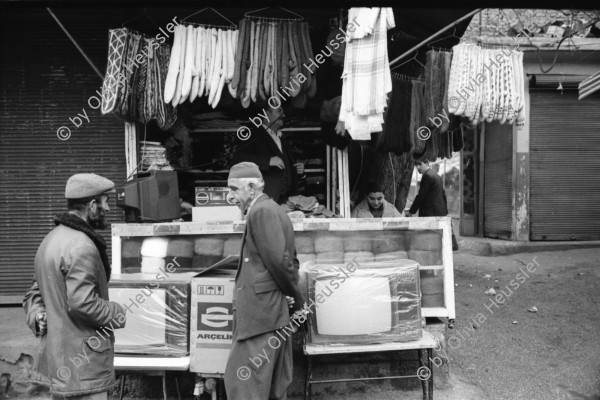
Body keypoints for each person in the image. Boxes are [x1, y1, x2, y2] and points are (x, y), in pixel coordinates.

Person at [23, 173, 127, 400]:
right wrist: (118, 313)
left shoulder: (50, 240)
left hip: (56, 364)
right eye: (105, 201)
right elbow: (83, 304)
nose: (108, 208)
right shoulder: (82, 246)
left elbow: (33, 293)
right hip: (83, 366)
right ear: (92, 205)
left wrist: (38, 314)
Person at [223, 162, 305, 400]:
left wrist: (298, 303)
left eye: (233, 190)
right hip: (268, 314)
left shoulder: (261, 211)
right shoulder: (269, 209)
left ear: (250, 187)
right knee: (270, 388)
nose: (230, 197)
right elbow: (284, 261)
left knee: (243, 384)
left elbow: (280, 263)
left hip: (260, 317)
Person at [232, 106, 304, 204]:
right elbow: (238, 159)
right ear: (266, 114)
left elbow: (286, 166)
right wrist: (267, 161)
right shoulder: (253, 134)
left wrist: (296, 170)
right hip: (264, 198)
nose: (284, 115)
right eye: (279, 111)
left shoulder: (282, 138)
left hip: (286, 200)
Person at [407, 160, 458, 250]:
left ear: (427, 163)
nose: (418, 167)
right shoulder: (436, 176)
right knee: (437, 237)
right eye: (416, 165)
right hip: (439, 211)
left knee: (428, 237)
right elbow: (443, 195)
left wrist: (411, 212)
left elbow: (421, 196)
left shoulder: (427, 176)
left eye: (420, 164)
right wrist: (445, 212)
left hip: (430, 213)